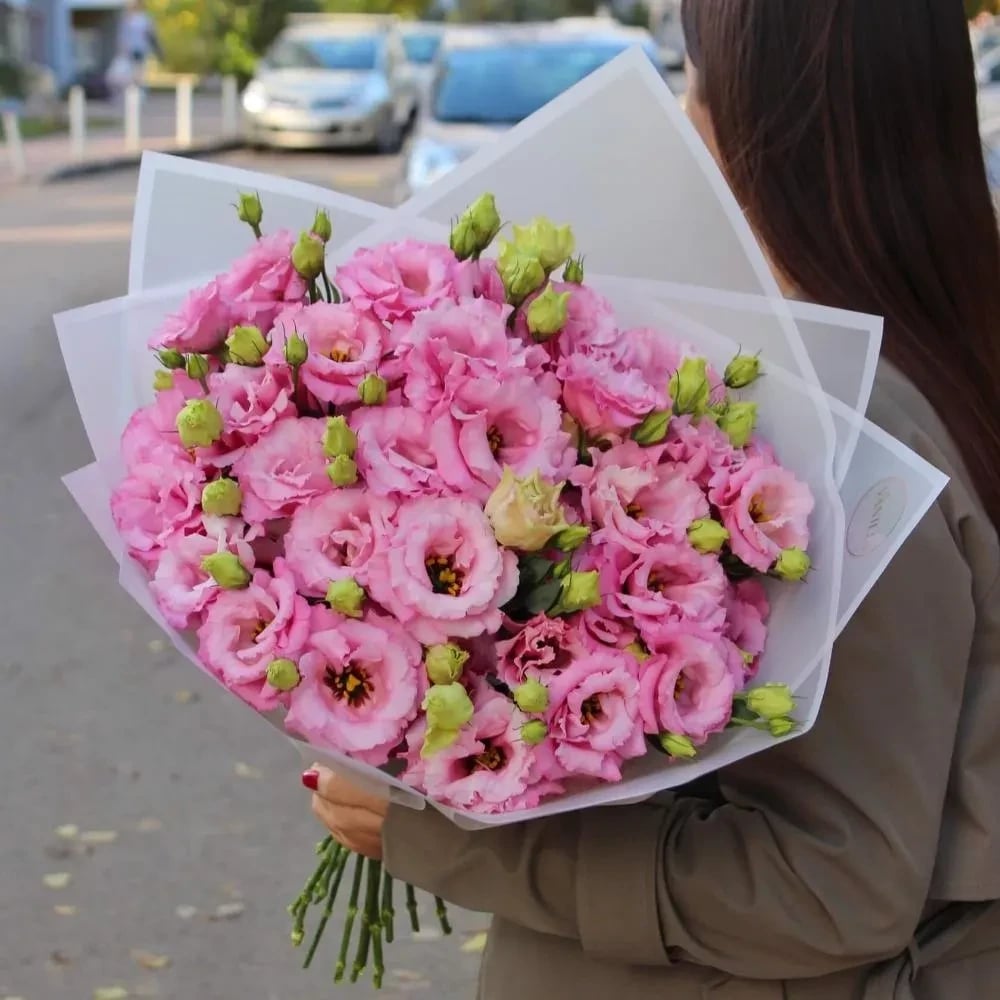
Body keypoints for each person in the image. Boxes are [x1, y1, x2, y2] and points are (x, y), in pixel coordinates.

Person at [302, 2, 1000, 996]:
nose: (677, 119)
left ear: (756, 127)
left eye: (691, 86)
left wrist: (459, 839)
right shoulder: (910, 362)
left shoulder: (845, 434)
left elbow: (837, 886)